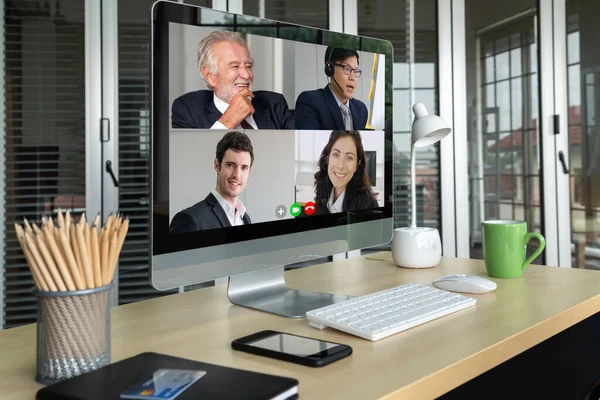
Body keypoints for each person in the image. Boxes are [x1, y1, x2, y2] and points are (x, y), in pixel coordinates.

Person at [171, 30, 295, 130]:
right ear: (209, 75)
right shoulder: (187, 110)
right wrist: (229, 119)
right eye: (234, 66)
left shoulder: (274, 104)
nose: (246, 75)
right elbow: (193, 156)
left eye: (248, 66)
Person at [169, 131, 254, 233]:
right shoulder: (189, 219)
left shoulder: (245, 219)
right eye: (230, 165)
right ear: (217, 165)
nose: (237, 175)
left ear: (249, 171)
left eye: (244, 168)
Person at [295, 47, 368, 130]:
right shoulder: (310, 101)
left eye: (356, 71)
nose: (353, 77)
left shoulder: (361, 109)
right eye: (347, 69)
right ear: (329, 69)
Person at [313, 130, 378, 214]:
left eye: (349, 158)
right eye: (336, 155)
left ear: (357, 165)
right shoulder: (323, 192)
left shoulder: (369, 205)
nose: (340, 165)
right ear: (327, 158)